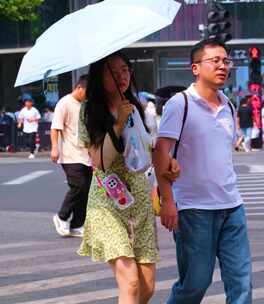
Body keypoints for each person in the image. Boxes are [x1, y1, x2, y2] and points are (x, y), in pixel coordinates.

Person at [153, 38, 252, 304]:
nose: (222, 66)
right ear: (195, 68)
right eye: (215, 61)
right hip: (193, 209)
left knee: (241, 282)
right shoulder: (180, 103)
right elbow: (161, 152)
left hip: (232, 205)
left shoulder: (228, 106)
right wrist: (168, 202)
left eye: (225, 61)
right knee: (195, 283)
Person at [77, 51, 170, 304]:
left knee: (147, 286)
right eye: (112, 71)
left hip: (139, 198)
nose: (121, 76)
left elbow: (145, 149)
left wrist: (168, 167)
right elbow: (98, 162)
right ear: (99, 76)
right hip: (108, 201)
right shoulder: (89, 110)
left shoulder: (136, 106)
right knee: (129, 281)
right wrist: (117, 124)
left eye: (125, 70)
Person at [50, 75, 93, 238]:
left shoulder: (86, 105)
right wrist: (55, 148)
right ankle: (61, 217)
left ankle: (77, 224)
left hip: (86, 154)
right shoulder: (64, 103)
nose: (88, 95)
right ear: (79, 87)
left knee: (87, 190)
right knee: (78, 186)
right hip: (69, 154)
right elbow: (55, 128)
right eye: (87, 92)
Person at [17, 94, 41, 159]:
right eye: (26, 102)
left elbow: (39, 117)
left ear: (31, 103)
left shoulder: (34, 110)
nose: (27, 103)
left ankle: (32, 153)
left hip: (33, 128)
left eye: (28, 102)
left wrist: (33, 119)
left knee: (31, 141)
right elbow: (21, 117)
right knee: (26, 142)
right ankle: (34, 147)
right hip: (26, 128)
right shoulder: (23, 110)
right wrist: (19, 123)